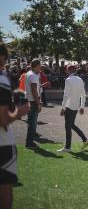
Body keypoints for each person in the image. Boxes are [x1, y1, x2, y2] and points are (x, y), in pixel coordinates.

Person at [0, 42, 29, 209]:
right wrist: (20, 111)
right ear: (2, 57)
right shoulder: (1, 79)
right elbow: (2, 119)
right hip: (3, 145)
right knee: (6, 198)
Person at [58, 65, 88, 153]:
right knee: (71, 125)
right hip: (75, 106)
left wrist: (63, 108)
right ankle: (84, 140)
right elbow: (83, 95)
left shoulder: (68, 80)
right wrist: (82, 106)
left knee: (68, 126)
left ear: (68, 71)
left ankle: (68, 147)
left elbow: (66, 95)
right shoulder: (80, 80)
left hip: (69, 106)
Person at [25, 59, 43, 149]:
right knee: (32, 123)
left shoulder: (29, 73)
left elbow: (34, 90)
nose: (40, 69)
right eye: (40, 66)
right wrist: (38, 103)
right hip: (32, 102)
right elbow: (34, 91)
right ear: (36, 66)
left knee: (31, 122)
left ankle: (30, 142)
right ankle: (29, 143)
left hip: (29, 100)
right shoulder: (33, 75)